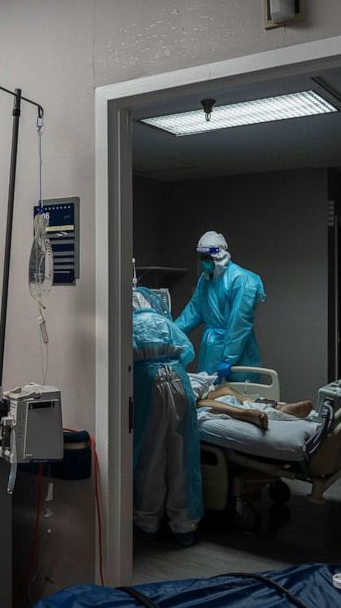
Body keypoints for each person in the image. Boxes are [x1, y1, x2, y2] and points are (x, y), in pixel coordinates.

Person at [131, 287, 202, 547]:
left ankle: (146, 522)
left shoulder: (129, 325)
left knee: (152, 456)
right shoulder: (165, 322)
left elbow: (121, 362)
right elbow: (188, 353)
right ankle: (184, 525)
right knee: (182, 455)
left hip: (147, 387)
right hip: (181, 384)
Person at [175, 231, 266, 383]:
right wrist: (169, 334)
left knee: (244, 399)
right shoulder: (205, 281)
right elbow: (191, 313)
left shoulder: (241, 280)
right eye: (202, 258)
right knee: (210, 396)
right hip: (211, 349)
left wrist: (229, 358)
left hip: (239, 351)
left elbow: (240, 322)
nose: (204, 262)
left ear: (219, 256)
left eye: (208, 258)